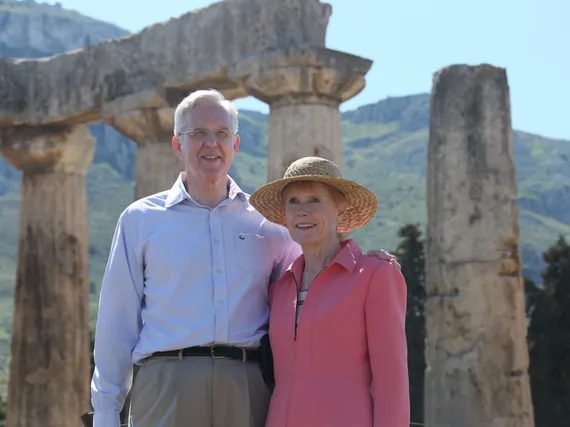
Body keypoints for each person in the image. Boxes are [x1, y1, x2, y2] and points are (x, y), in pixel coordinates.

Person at [89, 89, 400, 427]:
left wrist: (363, 263)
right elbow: (116, 324)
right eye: (198, 133)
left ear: (235, 145)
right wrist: (107, 412)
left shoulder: (270, 225)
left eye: (222, 133)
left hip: (247, 384)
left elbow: (316, 277)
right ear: (178, 145)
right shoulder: (139, 219)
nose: (211, 142)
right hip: (165, 382)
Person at [249, 156, 410, 427]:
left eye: (315, 200)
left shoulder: (376, 275)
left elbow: (391, 382)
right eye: (293, 201)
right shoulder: (280, 287)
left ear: (340, 208)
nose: (302, 210)